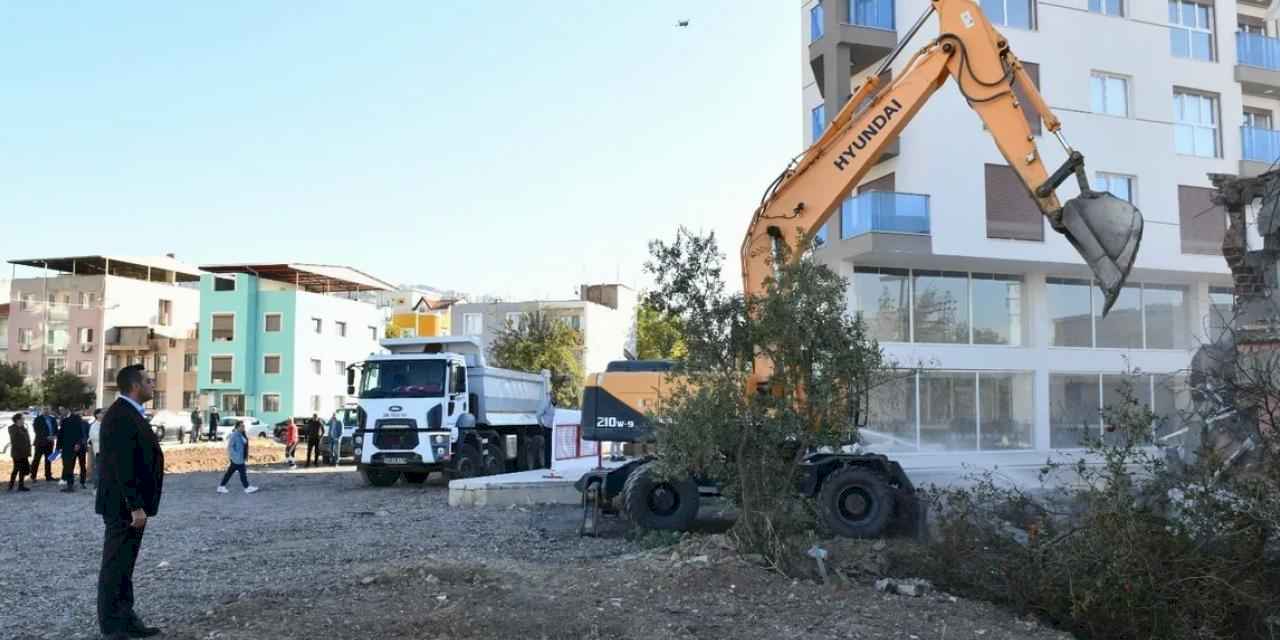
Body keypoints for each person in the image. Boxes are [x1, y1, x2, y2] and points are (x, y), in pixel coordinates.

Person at [95, 365, 164, 640]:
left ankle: (126, 618)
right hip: (123, 507)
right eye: (148, 381)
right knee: (115, 565)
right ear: (135, 386)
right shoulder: (121, 416)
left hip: (132, 506)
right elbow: (121, 465)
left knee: (125, 565)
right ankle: (112, 626)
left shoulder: (129, 413)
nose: (152, 385)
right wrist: (134, 504)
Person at [217, 421, 258, 494]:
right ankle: (247, 487)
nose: (243, 427)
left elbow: (245, 444)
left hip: (239, 458)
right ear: (237, 427)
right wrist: (235, 456)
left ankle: (221, 486)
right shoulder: (234, 435)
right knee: (242, 473)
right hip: (237, 459)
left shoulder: (241, 434)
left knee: (229, 473)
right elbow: (230, 447)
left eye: (243, 426)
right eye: (241, 426)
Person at [57, 407, 88, 492]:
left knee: (75, 465)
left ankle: (75, 484)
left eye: (62, 410)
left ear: (67, 409)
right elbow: (61, 434)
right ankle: (69, 484)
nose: (61, 411)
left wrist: (78, 443)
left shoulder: (76, 418)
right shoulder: (64, 420)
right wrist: (58, 447)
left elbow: (80, 432)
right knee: (68, 466)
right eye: (60, 410)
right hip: (66, 447)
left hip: (75, 446)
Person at [30, 407, 59, 482]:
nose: (46, 410)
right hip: (40, 443)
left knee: (48, 460)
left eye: (48, 409)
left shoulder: (53, 419)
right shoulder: (38, 419)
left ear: (50, 410)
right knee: (36, 459)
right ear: (42, 410)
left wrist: (55, 436)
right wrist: (46, 437)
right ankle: (33, 476)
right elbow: (37, 430)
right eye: (45, 409)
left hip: (50, 443)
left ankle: (48, 476)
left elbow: (56, 429)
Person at [8, 413, 32, 492]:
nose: (24, 420)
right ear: (18, 420)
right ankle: (13, 485)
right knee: (17, 469)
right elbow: (15, 441)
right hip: (17, 453)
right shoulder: (13, 428)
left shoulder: (23, 428)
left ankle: (19, 486)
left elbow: (26, 439)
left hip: (24, 453)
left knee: (23, 470)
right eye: (22, 418)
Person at [88, 408, 104, 486]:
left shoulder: (105, 424)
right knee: (98, 470)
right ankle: (96, 487)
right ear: (97, 415)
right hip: (99, 451)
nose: (103, 414)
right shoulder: (94, 425)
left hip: (107, 451)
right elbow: (93, 437)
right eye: (101, 413)